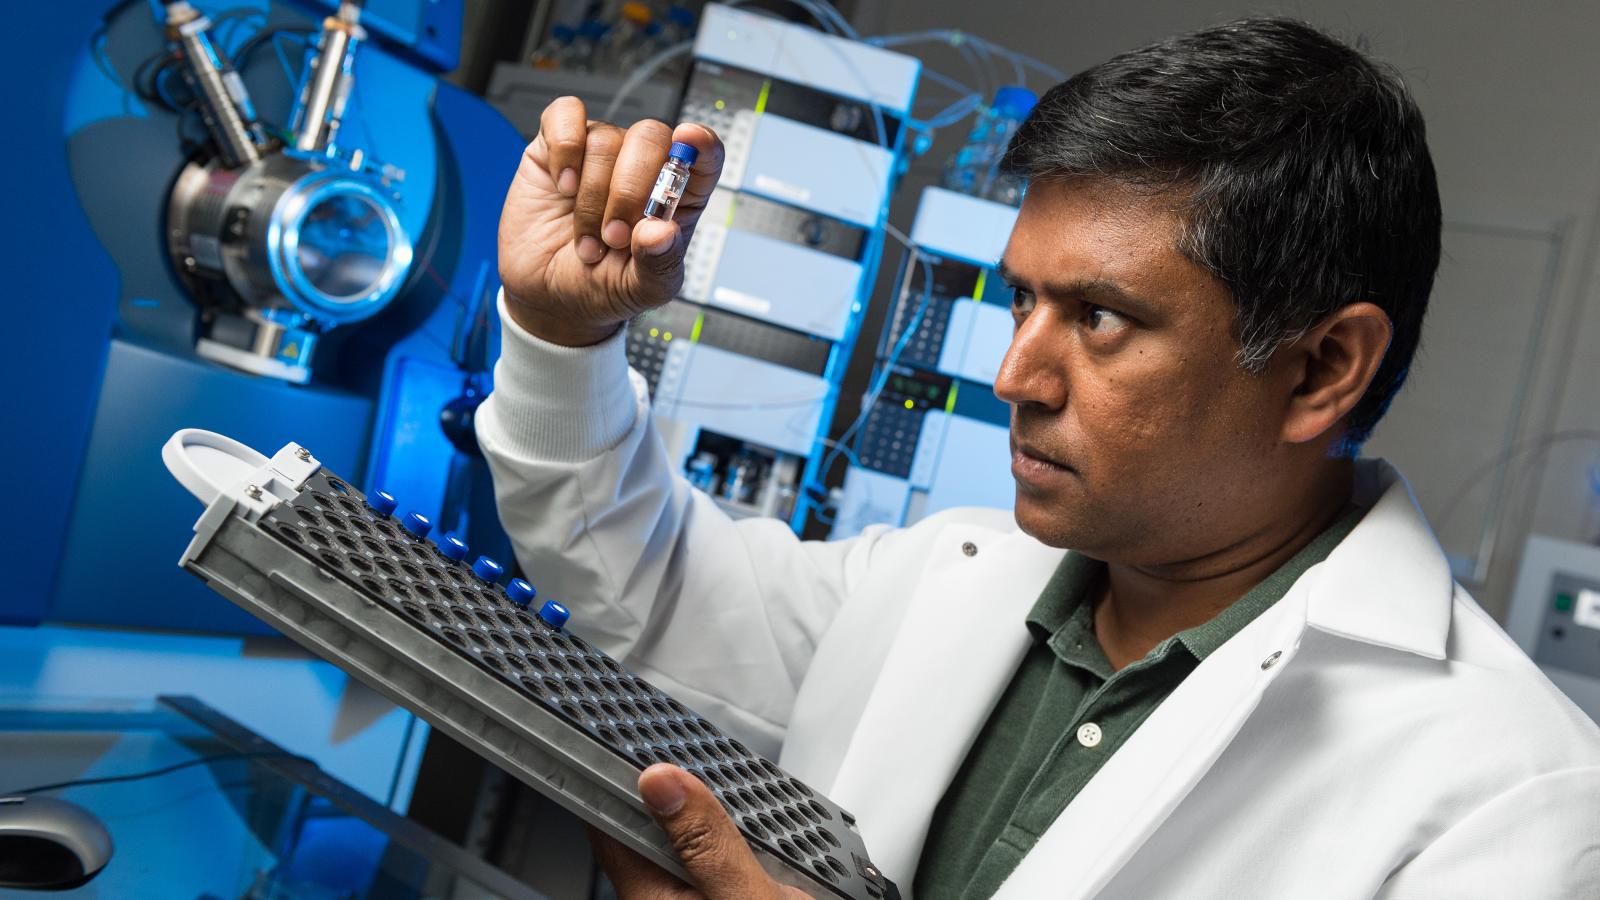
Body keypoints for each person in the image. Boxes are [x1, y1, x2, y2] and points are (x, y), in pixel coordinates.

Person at [478, 17, 1600, 900]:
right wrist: (559, 332)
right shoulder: (947, 574)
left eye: (1101, 317)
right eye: (1023, 298)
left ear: (1320, 370)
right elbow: (650, 585)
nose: (1015, 374)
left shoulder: (1513, 798)